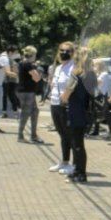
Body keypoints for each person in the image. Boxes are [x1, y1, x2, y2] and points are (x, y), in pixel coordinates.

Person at [61, 47, 93, 184]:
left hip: (75, 112)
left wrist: (63, 97)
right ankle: (78, 171)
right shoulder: (91, 74)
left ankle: (80, 173)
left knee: (77, 144)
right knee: (79, 144)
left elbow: (65, 96)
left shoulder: (76, 74)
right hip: (86, 113)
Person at [48, 42, 76, 174]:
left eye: (68, 51)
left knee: (68, 134)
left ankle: (73, 164)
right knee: (62, 134)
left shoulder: (73, 67)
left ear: (73, 53)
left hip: (65, 105)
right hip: (54, 103)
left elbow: (72, 86)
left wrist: (65, 98)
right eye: (62, 50)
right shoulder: (58, 68)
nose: (64, 53)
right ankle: (64, 161)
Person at [16, 46, 44, 144]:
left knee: (34, 112)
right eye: (35, 55)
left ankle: (33, 135)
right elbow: (36, 78)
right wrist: (39, 72)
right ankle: (20, 135)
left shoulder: (22, 63)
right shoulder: (28, 64)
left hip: (24, 91)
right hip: (27, 92)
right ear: (32, 55)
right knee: (25, 113)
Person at [2, 46, 21, 116]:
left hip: (9, 80)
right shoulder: (9, 59)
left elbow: (16, 71)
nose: (15, 53)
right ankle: (14, 110)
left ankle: (7, 111)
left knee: (7, 95)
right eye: (15, 52)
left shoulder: (9, 59)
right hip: (11, 80)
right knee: (10, 95)